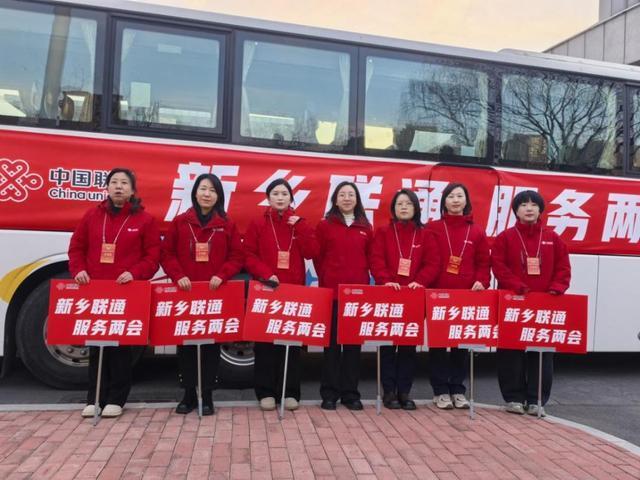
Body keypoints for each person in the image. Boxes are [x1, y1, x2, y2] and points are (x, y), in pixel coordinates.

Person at [68, 168, 160, 418]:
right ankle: (94, 398)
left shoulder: (145, 220)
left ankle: (117, 399)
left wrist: (135, 273)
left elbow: (152, 257)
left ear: (132, 190)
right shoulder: (92, 216)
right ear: (107, 187)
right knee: (96, 345)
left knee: (120, 348)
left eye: (124, 183)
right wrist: (78, 270)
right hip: (96, 290)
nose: (119, 187)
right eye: (114, 182)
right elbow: (76, 248)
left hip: (126, 291)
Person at [161, 173, 244, 415]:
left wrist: (222, 275)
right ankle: (188, 394)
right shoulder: (180, 222)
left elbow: (237, 256)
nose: (207, 194)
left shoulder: (226, 225)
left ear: (219, 196)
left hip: (214, 293)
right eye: (203, 189)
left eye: (212, 190)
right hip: (186, 292)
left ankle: (207, 396)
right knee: (186, 345)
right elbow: (166, 254)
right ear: (195, 192)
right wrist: (178, 276)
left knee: (211, 345)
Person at [492, 190, 571, 417]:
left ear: (540, 210)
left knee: (541, 353)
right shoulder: (506, 237)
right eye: (523, 205)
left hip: (544, 304)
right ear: (516, 211)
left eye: (534, 204)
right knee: (510, 351)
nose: (529, 208)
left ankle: (537, 400)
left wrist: (556, 288)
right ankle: (513, 398)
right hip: (514, 302)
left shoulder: (553, 238)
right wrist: (517, 286)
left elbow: (563, 267)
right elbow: (498, 266)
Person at [244, 178, 318, 411]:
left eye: (284, 194)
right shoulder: (258, 223)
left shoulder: (299, 223)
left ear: (291, 198)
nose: (280, 197)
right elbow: (248, 255)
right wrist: (266, 274)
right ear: (268, 198)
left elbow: (312, 252)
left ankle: (289, 392)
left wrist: (301, 227)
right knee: (265, 343)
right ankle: (265, 392)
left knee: (291, 343)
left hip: (293, 291)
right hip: (267, 289)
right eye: (275, 193)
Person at [369, 189, 440, 410]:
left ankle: (404, 392)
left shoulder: (425, 234)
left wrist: (420, 281)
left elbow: (433, 263)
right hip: (388, 294)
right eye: (399, 204)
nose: (404, 207)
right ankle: (389, 392)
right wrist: (385, 280)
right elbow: (376, 259)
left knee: (408, 347)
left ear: (416, 208)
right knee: (388, 346)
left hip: (413, 297)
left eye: (408, 204)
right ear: (393, 209)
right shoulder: (383, 232)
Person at [426, 183, 490, 410]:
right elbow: (425, 259)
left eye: (459, 196)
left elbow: (483, 262)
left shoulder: (477, 231)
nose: (455, 200)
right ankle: (440, 391)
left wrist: (481, 281)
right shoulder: (432, 227)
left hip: (466, 295)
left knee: (460, 345)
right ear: (444, 201)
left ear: (466, 201)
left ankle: (457, 390)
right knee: (438, 345)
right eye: (451, 196)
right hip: (437, 295)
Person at [314, 181, 373, 411]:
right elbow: (318, 257)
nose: (347, 198)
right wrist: (327, 276)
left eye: (351, 194)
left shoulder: (366, 227)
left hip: (356, 297)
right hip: (332, 293)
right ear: (335, 200)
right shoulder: (325, 225)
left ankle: (350, 394)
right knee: (331, 347)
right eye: (342, 195)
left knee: (352, 347)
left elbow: (371, 258)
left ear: (357, 199)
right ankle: (329, 394)